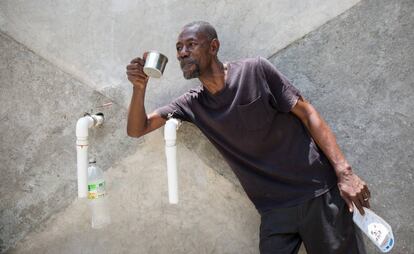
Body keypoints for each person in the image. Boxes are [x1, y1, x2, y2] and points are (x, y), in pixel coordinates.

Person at [126, 21, 370, 254]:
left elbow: (307, 113)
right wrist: (139, 88)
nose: (182, 53)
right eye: (179, 48)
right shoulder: (193, 103)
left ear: (213, 47)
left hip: (317, 193)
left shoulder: (256, 70)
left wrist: (344, 172)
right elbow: (138, 129)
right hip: (274, 210)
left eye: (191, 44)